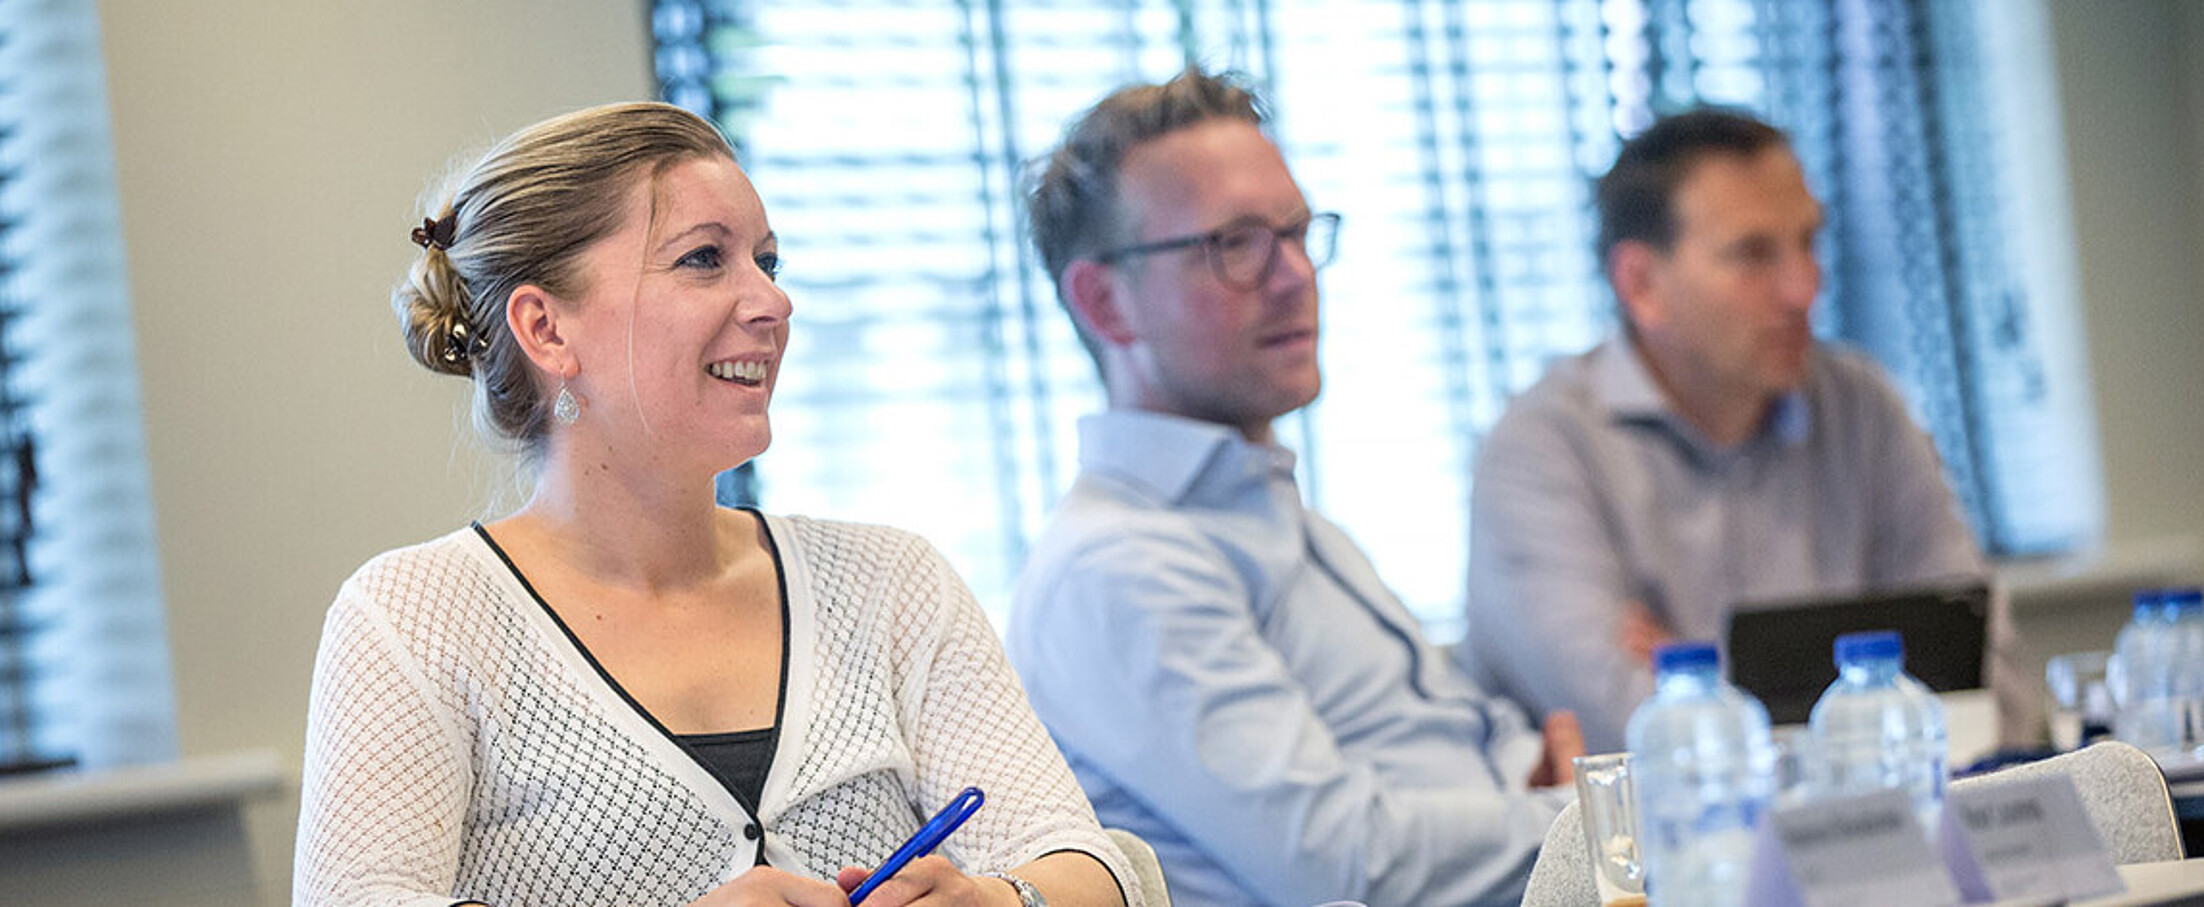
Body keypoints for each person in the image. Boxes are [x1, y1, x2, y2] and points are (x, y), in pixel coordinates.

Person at [295, 101, 1134, 907]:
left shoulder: (892, 582)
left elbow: (1094, 865)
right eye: (705, 259)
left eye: (767, 262)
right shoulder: (413, 617)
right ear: (547, 330)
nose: (772, 302)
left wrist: (1000, 898)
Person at [1005, 69, 1580, 907]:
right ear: (1105, 301)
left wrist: (1544, 780)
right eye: (1236, 243)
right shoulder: (1118, 565)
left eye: (1299, 232)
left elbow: (1454, 753)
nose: (1295, 276)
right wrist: (1593, 813)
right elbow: (1349, 863)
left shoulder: (1271, 507)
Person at [1460, 108, 2038, 753]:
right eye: (1754, 255)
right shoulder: (1541, 447)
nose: (1803, 289)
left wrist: (1703, 683)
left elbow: (2000, 693)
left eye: (1809, 243)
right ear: (1642, 284)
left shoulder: (1862, 407)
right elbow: (1640, 742)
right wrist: (1863, 703)